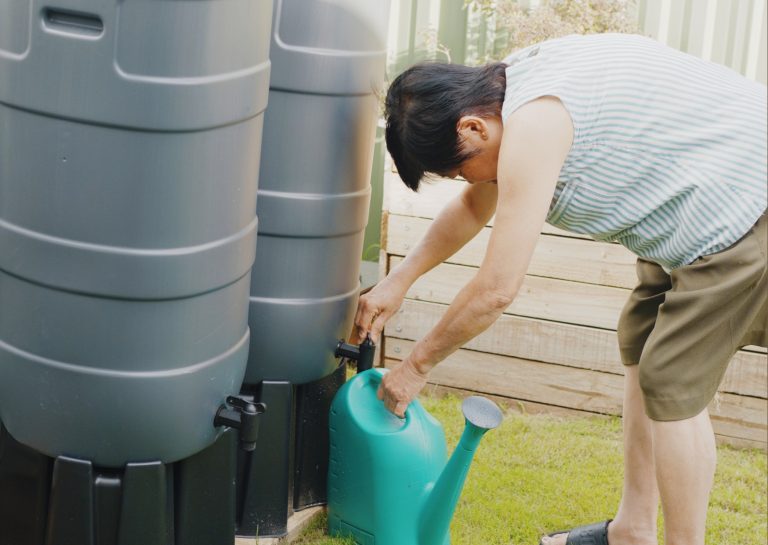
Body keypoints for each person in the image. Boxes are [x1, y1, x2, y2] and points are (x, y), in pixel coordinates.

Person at [351, 33, 767, 545]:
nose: (467, 181)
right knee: (641, 339)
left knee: (670, 378)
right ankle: (633, 529)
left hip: (745, 206)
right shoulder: (510, 87)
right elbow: (473, 206)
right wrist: (398, 280)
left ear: (472, 127)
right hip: (691, 212)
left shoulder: (535, 124)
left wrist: (415, 368)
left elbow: (497, 290)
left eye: (459, 168)